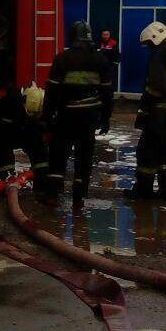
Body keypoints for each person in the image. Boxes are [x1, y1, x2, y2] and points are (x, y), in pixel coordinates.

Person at [44, 21, 115, 200]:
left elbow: (51, 91)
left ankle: (52, 195)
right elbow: (107, 92)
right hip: (89, 117)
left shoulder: (62, 58)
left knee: (58, 154)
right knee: (84, 156)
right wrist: (106, 118)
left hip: (65, 115)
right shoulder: (100, 59)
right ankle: (79, 197)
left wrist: (46, 117)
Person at [128, 21, 166, 201]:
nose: (149, 48)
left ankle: (143, 192)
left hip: (159, 111)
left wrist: (145, 106)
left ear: (155, 38)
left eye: (149, 44)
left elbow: (157, 86)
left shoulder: (161, 53)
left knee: (147, 151)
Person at [0, 83, 47, 185]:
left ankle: (41, 178)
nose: (33, 116)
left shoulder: (39, 107)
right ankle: (7, 177)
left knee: (38, 147)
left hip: (20, 130)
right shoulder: (6, 105)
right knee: (2, 146)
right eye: (30, 113)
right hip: (3, 133)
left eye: (35, 115)